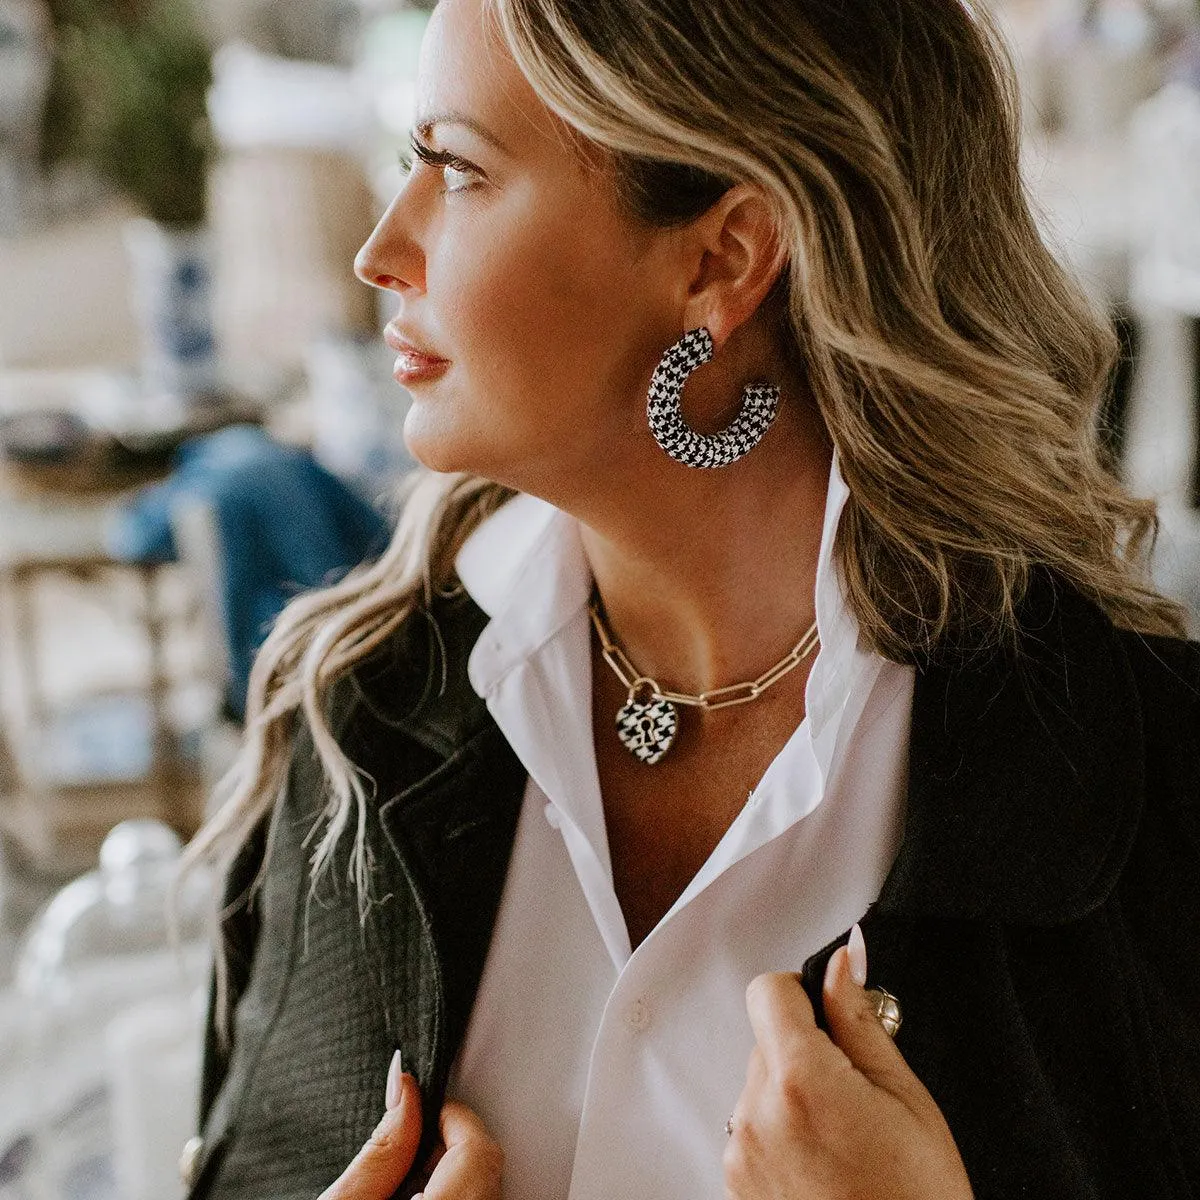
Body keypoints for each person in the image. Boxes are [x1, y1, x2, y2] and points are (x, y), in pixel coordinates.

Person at [179, 0, 1200, 1197]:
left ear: (722, 258)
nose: (383, 247)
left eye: (456, 169)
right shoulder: (358, 720)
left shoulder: (1149, 773)